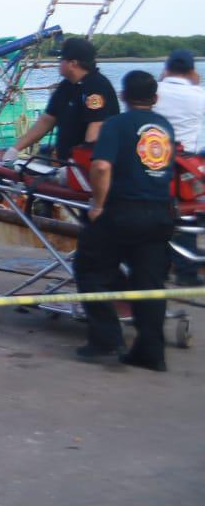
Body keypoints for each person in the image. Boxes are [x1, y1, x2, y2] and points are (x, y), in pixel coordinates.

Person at [73, 70, 178, 371]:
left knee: (91, 269)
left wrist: (97, 204)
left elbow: (102, 166)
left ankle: (106, 339)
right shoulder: (165, 126)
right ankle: (150, 352)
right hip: (160, 212)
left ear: (123, 96)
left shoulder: (116, 124)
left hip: (122, 211)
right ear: (155, 98)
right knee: (149, 283)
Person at [3, 36, 117, 191]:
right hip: (66, 163)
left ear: (73, 64)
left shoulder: (96, 87)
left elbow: (95, 128)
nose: (58, 62)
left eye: (61, 59)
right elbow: (47, 120)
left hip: (86, 169)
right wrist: (15, 149)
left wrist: (80, 165)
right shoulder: (66, 86)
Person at [153, 49, 204, 286]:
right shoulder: (198, 95)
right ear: (192, 71)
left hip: (153, 161)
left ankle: (158, 268)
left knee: (155, 218)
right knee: (186, 216)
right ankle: (186, 273)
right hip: (186, 165)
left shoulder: (154, 91)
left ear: (167, 67)